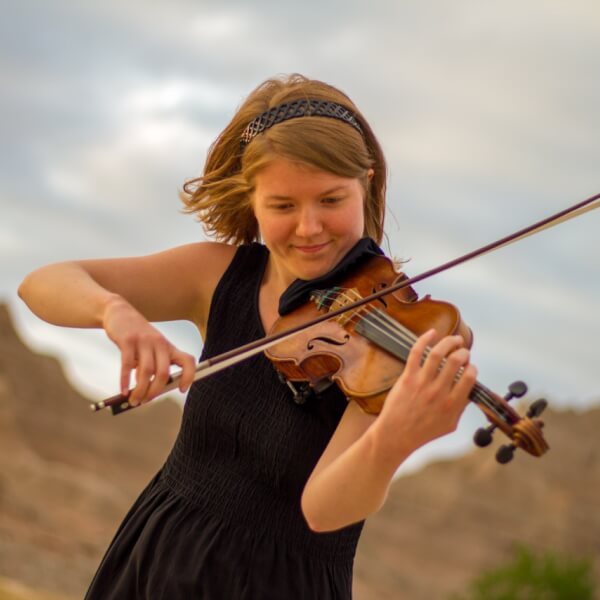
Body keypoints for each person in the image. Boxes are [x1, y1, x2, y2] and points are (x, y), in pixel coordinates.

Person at [18, 74, 477, 599]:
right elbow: (41, 284)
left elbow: (324, 509)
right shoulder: (219, 276)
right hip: (157, 561)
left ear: (367, 184)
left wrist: (395, 438)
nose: (309, 228)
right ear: (252, 201)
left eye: (331, 200)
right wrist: (114, 311)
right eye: (283, 206)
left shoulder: (398, 335)